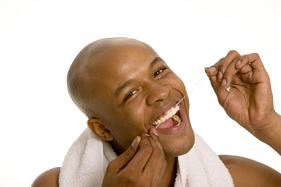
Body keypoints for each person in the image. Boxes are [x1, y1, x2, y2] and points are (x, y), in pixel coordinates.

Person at [32, 37, 281, 187]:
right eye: (130, 93)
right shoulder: (53, 185)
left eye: (159, 72)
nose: (160, 92)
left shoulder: (237, 178)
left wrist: (267, 124)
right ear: (103, 129)